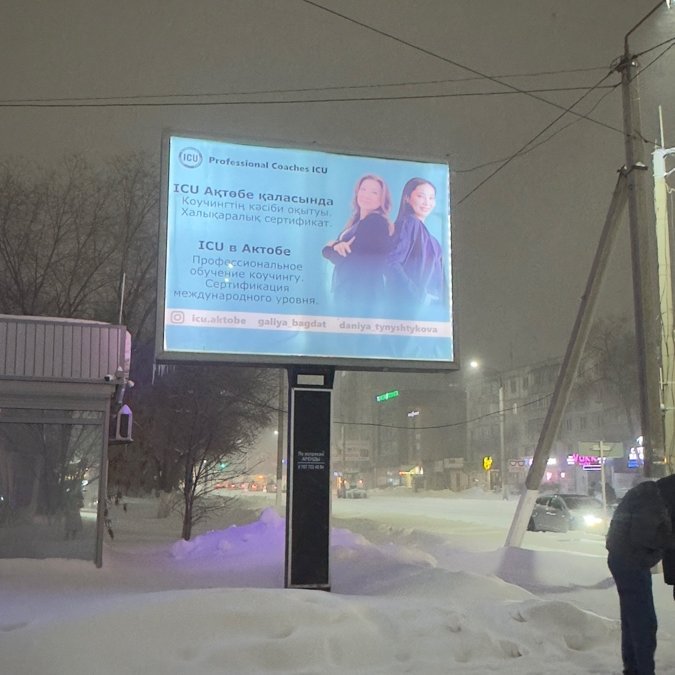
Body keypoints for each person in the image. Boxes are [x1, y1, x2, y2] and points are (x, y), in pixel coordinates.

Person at [605, 475, 675, 675]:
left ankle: (633, 669)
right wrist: (670, 540)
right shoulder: (652, 504)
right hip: (630, 562)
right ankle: (643, 670)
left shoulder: (652, 495)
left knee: (632, 620)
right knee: (644, 623)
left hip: (625, 559)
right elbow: (646, 536)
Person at [322, 174, 394, 314]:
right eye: (363, 189)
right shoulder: (356, 222)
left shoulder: (375, 222)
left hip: (360, 297)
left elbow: (351, 262)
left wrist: (329, 248)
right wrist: (335, 245)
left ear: (382, 199)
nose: (367, 195)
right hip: (350, 292)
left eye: (374, 192)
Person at [386, 178, 445, 309]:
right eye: (421, 196)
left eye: (431, 198)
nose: (427, 202)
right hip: (411, 309)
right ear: (407, 198)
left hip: (432, 313)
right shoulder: (409, 223)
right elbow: (391, 263)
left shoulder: (434, 241)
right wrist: (420, 296)